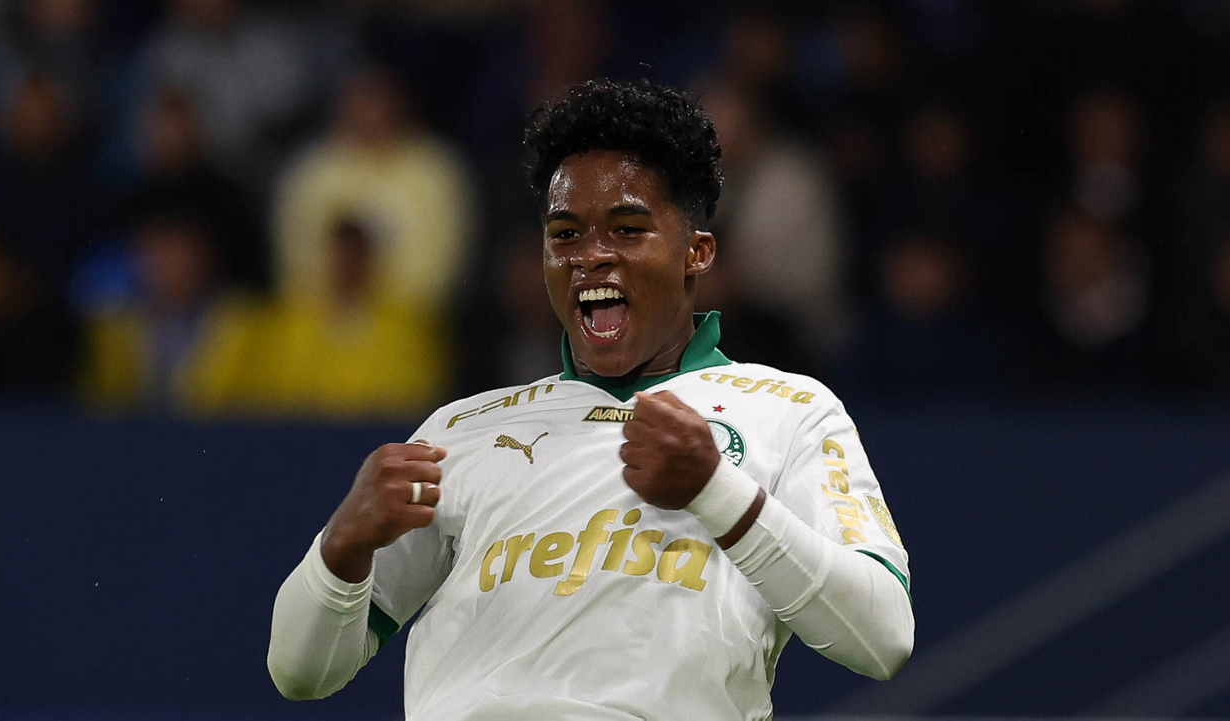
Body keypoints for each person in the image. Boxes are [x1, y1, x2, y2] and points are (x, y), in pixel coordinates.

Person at [267, 79, 914, 719]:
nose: (592, 256)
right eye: (566, 235)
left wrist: (716, 491)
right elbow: (300, 672)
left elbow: (883, 637)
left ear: (696, 253)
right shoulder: (458, 431)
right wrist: (342, 544)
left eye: (628, 230)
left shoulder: (789, 409)